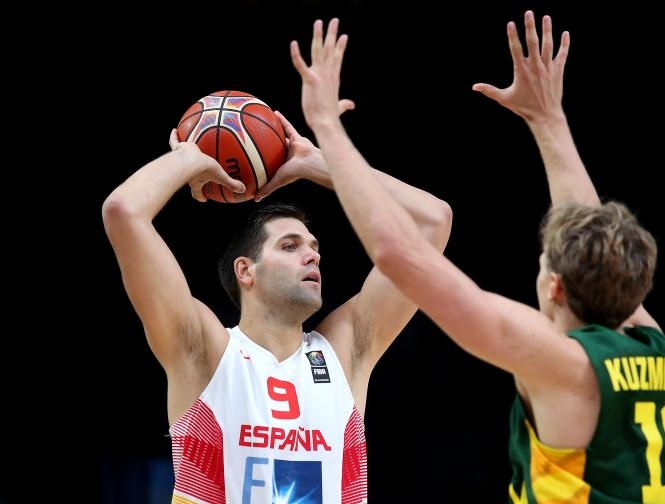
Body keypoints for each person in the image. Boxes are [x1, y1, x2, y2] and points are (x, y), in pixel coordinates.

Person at [284, 13, 665, 503]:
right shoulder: (656, 346)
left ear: (555, 287)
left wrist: (328, 127)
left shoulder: (561, 363)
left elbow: (400, 254)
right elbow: (589, 238)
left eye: (545, 261)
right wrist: (548, 120)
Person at [101, 99, 452, 501]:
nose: (313, 255)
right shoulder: (203, 350)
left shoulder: (346, 351)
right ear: (245, 271)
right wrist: (186, 158)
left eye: (314, 246)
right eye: (289, 245)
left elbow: (433, 220)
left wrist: (321, 165)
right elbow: (123, 211)